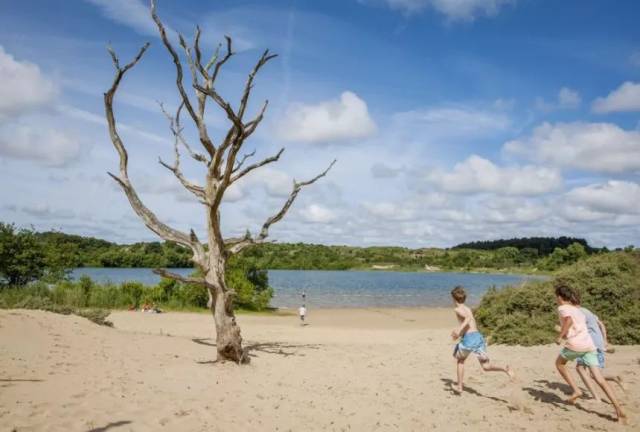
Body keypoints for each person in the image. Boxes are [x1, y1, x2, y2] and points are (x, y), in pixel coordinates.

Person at [554, 282, 627, 423]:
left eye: (556, 297)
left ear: (559, 297)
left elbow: (568, 321)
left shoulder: (563, 308)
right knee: (600, 379)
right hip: (589, 345)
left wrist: (560, 336)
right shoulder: (579, 310)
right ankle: (619, 409)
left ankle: (576, 390)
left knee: (559, 364)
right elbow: (578, 326)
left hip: (576, 345)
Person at [450, 286, 514, 394]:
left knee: (460, 361)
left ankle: (460, 387)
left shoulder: (457, 309)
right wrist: (460, 333)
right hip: (478, 337)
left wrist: (458, 331)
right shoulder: (468, 308)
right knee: (486, 366)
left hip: (469, 339)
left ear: (453, 298)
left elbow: (467, 319)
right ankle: (505, 369)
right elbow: (470, 323)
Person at [572, 302, 626, 401]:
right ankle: (615, 378)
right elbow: (601, 324)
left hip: (589, 345)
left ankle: (597, 397)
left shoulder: (578, 313)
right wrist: (604, 340)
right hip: (598, 344)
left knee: (581, 368)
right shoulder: (589, 312)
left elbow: (576, 330)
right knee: (594, 374)